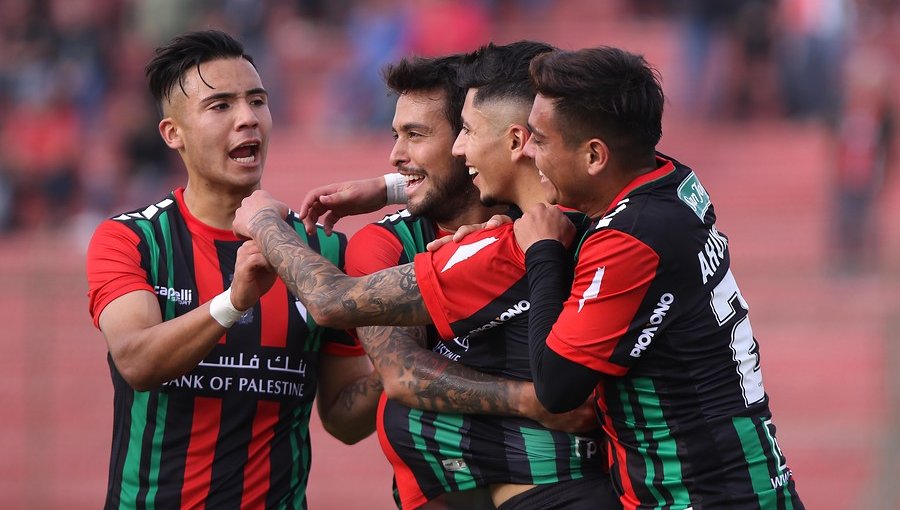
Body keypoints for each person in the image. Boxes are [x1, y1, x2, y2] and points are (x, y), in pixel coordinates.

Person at [234, 42, 620, 510]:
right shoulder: (386, 243)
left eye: (415, 135)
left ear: (479, 138)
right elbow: (399, 374)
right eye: (396, 135)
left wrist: (268, 221)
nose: (396, 154)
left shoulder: (546, 220)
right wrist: (531, 400)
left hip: (569, 485)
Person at [85, 30, 379, 509]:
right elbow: (136, 361)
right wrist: (234, 301)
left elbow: (344, 420)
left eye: (257, 101)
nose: (248, 119)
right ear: (172, 134)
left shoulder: (323, 252)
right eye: (220, 106)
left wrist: (403, 355)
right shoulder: (131, 240)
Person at [512, 47, 805, 509]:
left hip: (705, 497)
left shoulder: (632, 239)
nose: (527, 151)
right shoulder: (669, 179)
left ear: (594, 155)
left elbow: (556, 387)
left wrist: (543, 252)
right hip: (744, 485)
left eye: (540, 139)